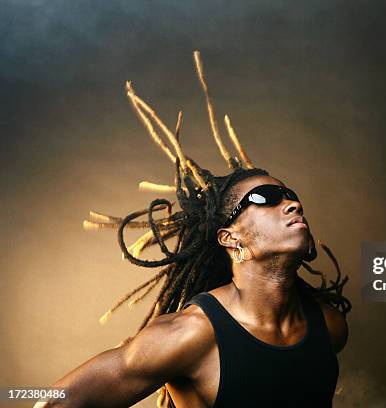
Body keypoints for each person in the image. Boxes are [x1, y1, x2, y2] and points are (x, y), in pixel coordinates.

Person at [36, 51, 351, 408]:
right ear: (230, 238)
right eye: (266, 197)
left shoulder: (328, 326)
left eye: (290, 196)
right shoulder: (191, 334)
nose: (292, 204)